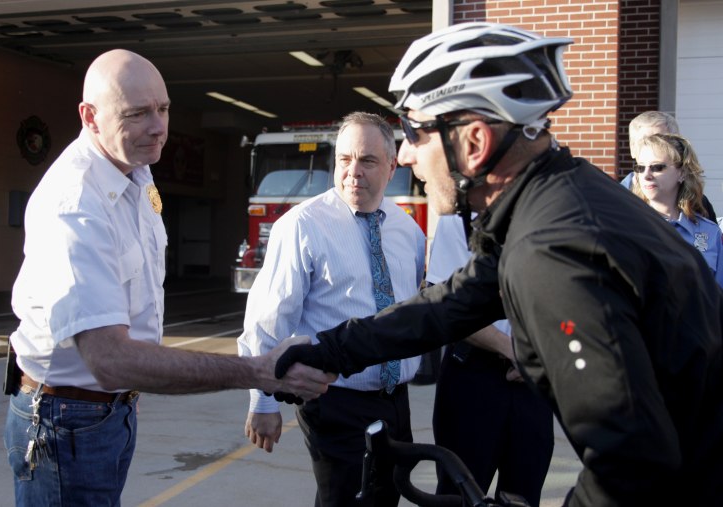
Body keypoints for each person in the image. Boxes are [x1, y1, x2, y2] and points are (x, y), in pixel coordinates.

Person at [274, 22, 723, 506]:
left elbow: (630, 464)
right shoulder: (556, 199)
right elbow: (451, 303)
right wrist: (328, 349)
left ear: (474, 143)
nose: (404, 156)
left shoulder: (553, 251)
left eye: (413, 131)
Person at [3, 49, 335, 507]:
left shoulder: (136, 173)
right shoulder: (76, 202)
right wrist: (259, 371)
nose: (158, 127)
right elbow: (109, 359)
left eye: (162, 109)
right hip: (68, 419)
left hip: (107, 413)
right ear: (90, 116)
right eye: (137, 113)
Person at [237, 111, 425, 507]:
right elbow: (268, 319)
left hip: (396, 400)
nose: (353, 171)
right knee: (345, 499)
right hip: (333, 400)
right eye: (344, 159)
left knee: (386, 496)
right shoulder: (302, 226)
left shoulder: (409, 232)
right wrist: (264, 400)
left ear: (391, 167)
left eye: (367, 161)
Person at [427, 214, 553, 506]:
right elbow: (446, 307)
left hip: (533, 378)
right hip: (472, 373)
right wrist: (513, 350)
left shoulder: (550, 212)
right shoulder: (457, 220)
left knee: (523, 496)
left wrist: (543, 351)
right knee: (460, 496)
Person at [632, 133, 723, 286]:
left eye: (657, 167)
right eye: (640, 168)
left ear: (682, 173)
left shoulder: (709, 232)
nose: (646, 175)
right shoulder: (627, 226)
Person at [621, 110, 717, 218]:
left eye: (661, 141)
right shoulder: (617, 200)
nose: (651, 147)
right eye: (645, 142)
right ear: (632, 149)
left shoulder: (698, 204)